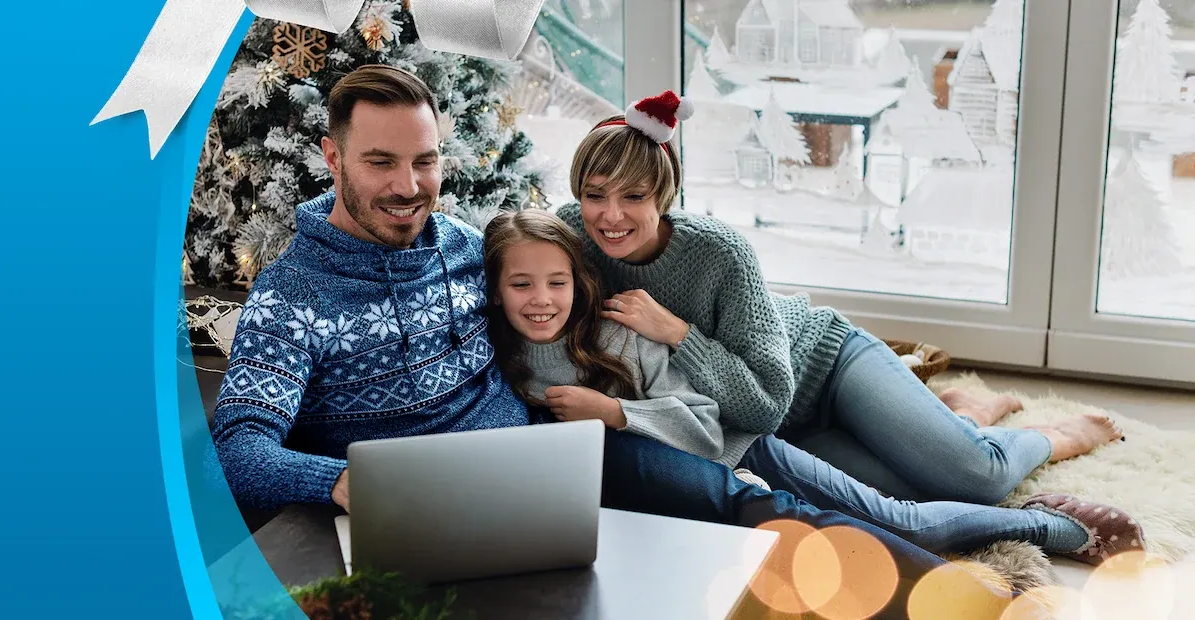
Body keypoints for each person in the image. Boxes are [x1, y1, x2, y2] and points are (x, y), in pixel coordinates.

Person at [208, 64, 1045, 618]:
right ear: (331, 155)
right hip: (399, 509)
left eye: (424, 162)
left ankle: (968, 602)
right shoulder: (294, 297)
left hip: (554, 453)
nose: (408, 186)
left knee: (755, 502)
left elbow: (569, 249)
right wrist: (354, 484)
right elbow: (240, 450)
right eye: (382, 162)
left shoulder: (472, 247)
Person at [552, 91, 1124, 507]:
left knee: (977, 479)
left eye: (633, 196)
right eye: (595, 195)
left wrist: (676, 333)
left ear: (665, 193)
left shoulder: (721, 254)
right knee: (917, 491)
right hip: (775, 433)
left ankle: (1056, 437)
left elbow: (767, 400)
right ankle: (961, 414)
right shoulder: (569, 237)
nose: (611, 215)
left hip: (824, 367)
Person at [481, 208, 1145, 565]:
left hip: (765, 427)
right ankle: (963, 413)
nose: (541, 298)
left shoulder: (624, 330)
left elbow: (708, 421)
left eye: (555, 283)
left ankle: (1044, 516)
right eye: (521, 285)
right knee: (918, 491)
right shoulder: (503, 349)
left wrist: (614, 411)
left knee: (950, 491)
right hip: (765, 445)